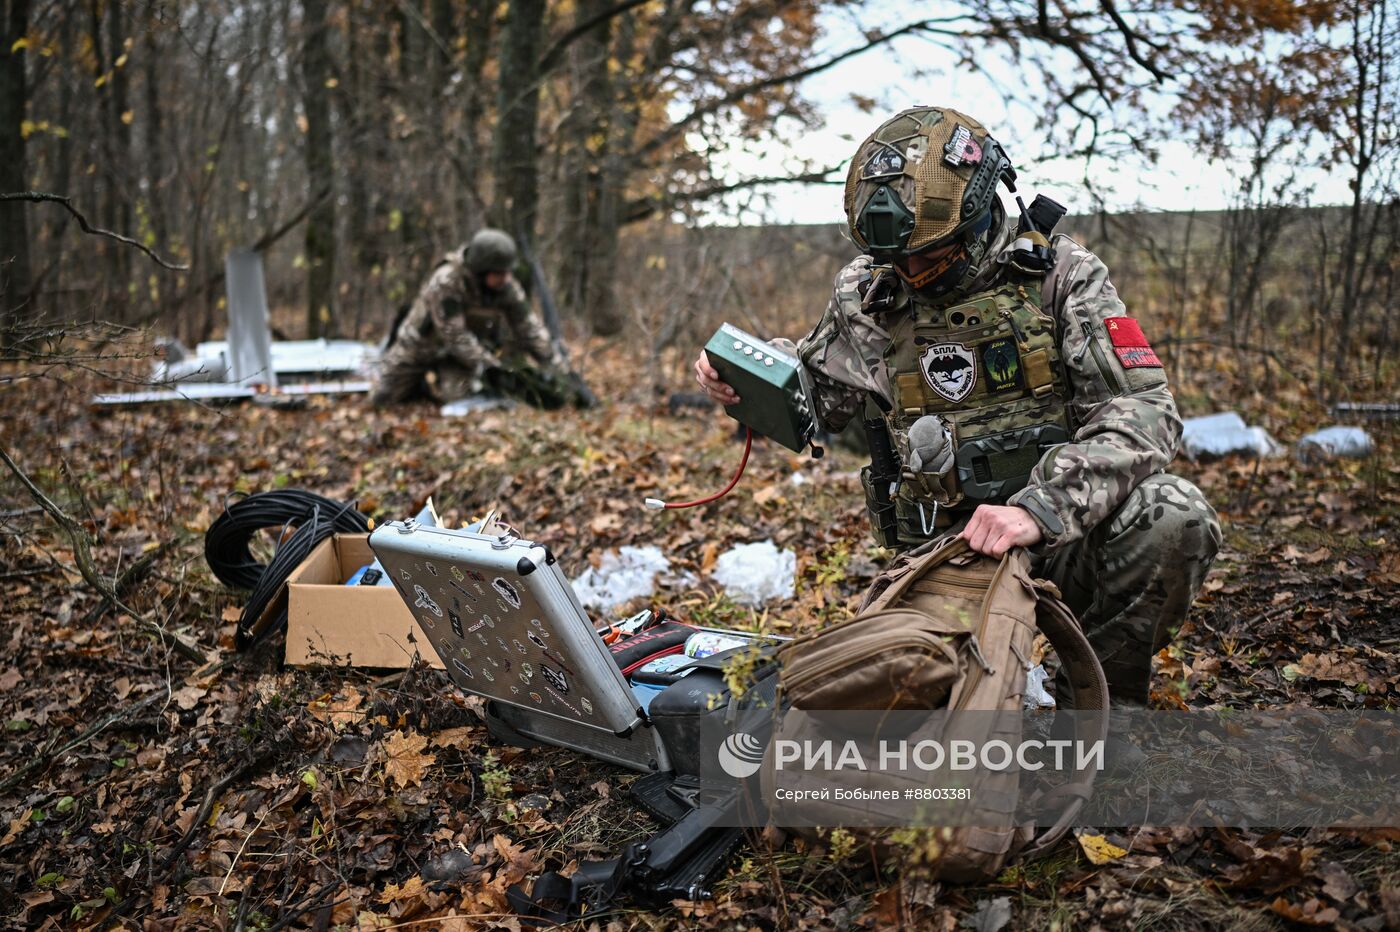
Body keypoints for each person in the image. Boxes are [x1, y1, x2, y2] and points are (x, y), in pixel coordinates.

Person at [694, 106, 1221, 707]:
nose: (909, 274)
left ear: (977, 217)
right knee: (916, 721)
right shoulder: (871, 291)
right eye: (896, 260)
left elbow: (1145, 412)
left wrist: (1040, 509)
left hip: (1065, 537)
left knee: (1174, 515)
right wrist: (749, 375)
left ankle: (1101, 703)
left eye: (928, 255)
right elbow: (820, 396)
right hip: (941, 552)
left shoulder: (1061, 278)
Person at [372, 229, 567, 406]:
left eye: (508, 272)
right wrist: (492, 368)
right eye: (499, 273)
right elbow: (454, 335)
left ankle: (434, 387)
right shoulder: (447, 280)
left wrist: (558, 367)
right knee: (382, 398)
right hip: (419, 347)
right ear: (481, 270)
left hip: (459, 358)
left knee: (464, 401)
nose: (506, 278)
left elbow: (529, 328)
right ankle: (415, 385)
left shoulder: (506, 287)